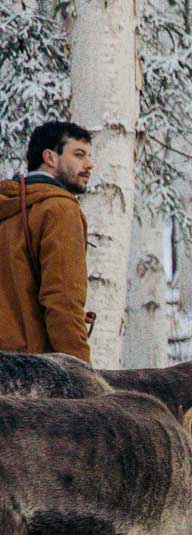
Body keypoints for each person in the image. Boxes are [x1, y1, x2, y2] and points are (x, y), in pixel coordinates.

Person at [0, 121, 94, 363]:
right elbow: (62, 301)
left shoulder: (8, 206)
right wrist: (82, 372)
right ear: (50, 158)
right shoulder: (59, 209)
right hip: (29, 374)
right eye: (79, 154)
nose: (89, 165)